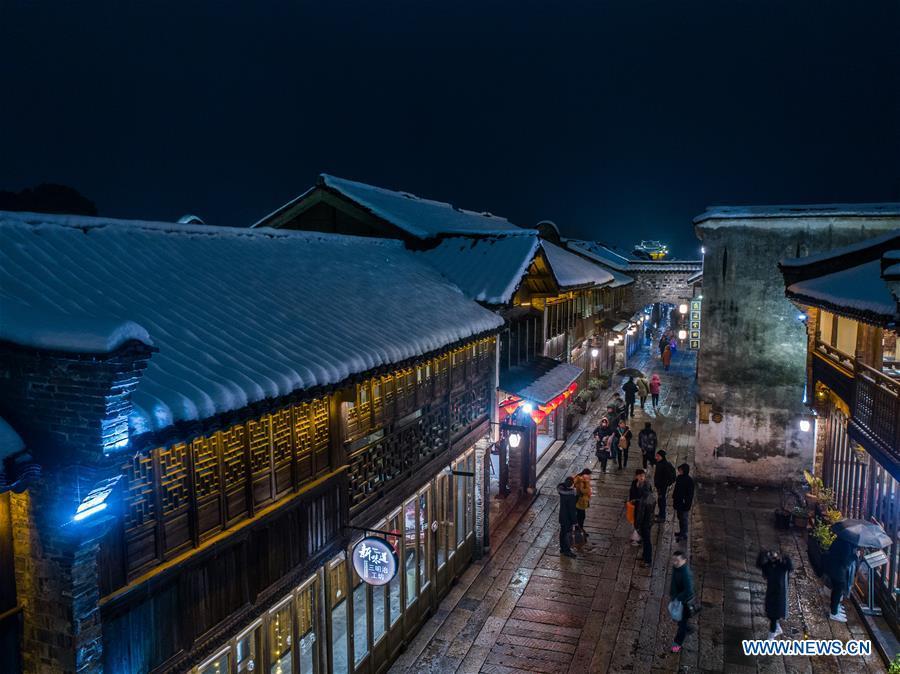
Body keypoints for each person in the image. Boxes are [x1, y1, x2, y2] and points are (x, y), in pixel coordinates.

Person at [756, 549, 793, 639]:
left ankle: (771, 637)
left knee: (773, 616)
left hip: (778, 596)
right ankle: (776, 629)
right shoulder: (772, 567)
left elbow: (790, 566)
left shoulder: (781, 566)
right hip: (774, 595)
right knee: (772, 615)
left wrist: (784, 557)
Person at [825, 538, 857, 622]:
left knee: (837, 590)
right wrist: (855, 556)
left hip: (832, 567)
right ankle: (834, 613)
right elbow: (846, 562)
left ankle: (836, 607)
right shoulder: (847, 545)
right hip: (837, 571)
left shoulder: (841, 539)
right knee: (838, 590)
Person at [670, 551, 695, 653]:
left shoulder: (685, 574)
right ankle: (687, 628)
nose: (675, 562)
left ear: (684, 561)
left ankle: (677, 645)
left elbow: (689, 591)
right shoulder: (677, 568)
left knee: (681, 627)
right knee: (681, 622)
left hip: (684, 603)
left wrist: (677, 598)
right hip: (678, 599)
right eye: (674, 560)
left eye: (677, 560)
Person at [635, 480, 656, 565]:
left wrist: (637, 524)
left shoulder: (645, 501)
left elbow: (641, 514)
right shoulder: (650, 496)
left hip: (645, 523)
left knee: (647, 541)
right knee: (645, 540)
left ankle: (648, 561)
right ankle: (644, 556)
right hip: (649, 522)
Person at [672, 463, 695, 541]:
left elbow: (690, 495)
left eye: (681, 470)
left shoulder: (689, 481)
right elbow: (676, 488)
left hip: (684, 504)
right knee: (680, 518)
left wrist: (687, 503)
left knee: (683, 519)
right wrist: (674, 496)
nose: (679, 471)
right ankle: (681, 532)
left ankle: (683, 534)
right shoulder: (679, 478)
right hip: (678, 502)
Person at [557, 477, 578, 558]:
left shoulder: (562, 492)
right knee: (567, 534)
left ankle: (562, 548)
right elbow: (572, 510)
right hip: (568, 519)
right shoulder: (571, 496)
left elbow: (561, 485)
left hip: (562, 516)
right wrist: (575, 521)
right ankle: (567, 550)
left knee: (562, 533)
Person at [653, 450, 676, 522]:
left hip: (662, 487)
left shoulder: (665, 465)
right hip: (659, 486)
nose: (656, 457)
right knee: (660, 501)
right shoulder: (659, 463)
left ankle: (662, 517)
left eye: (658, 456)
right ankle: (660, 514)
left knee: (662, 501)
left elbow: (667, 477)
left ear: (662, 457)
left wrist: (663, 485)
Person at [628, 470, 645, 546]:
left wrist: (637, 500)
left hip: (642, 508)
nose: (641, 477)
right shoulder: (634, 483)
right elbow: (631, 493)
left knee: (640, 523)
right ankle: (636, 538)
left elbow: (647, 497)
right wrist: (631, 501)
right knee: (635, 522)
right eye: (640, 475)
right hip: (634, 506)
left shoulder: (646, 485)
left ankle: (638, 539)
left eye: (643, 476)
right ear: (636, 476)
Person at [573, 468, 592, 536]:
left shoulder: (579, 478)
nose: (590, 477)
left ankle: (580, 529)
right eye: (589, 475)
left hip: (579, 501)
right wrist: (587, 483)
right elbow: (583, 491)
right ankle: (579, 530)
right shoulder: (582, 481)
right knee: (581, 517)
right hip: (580, 502)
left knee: (580, 516)